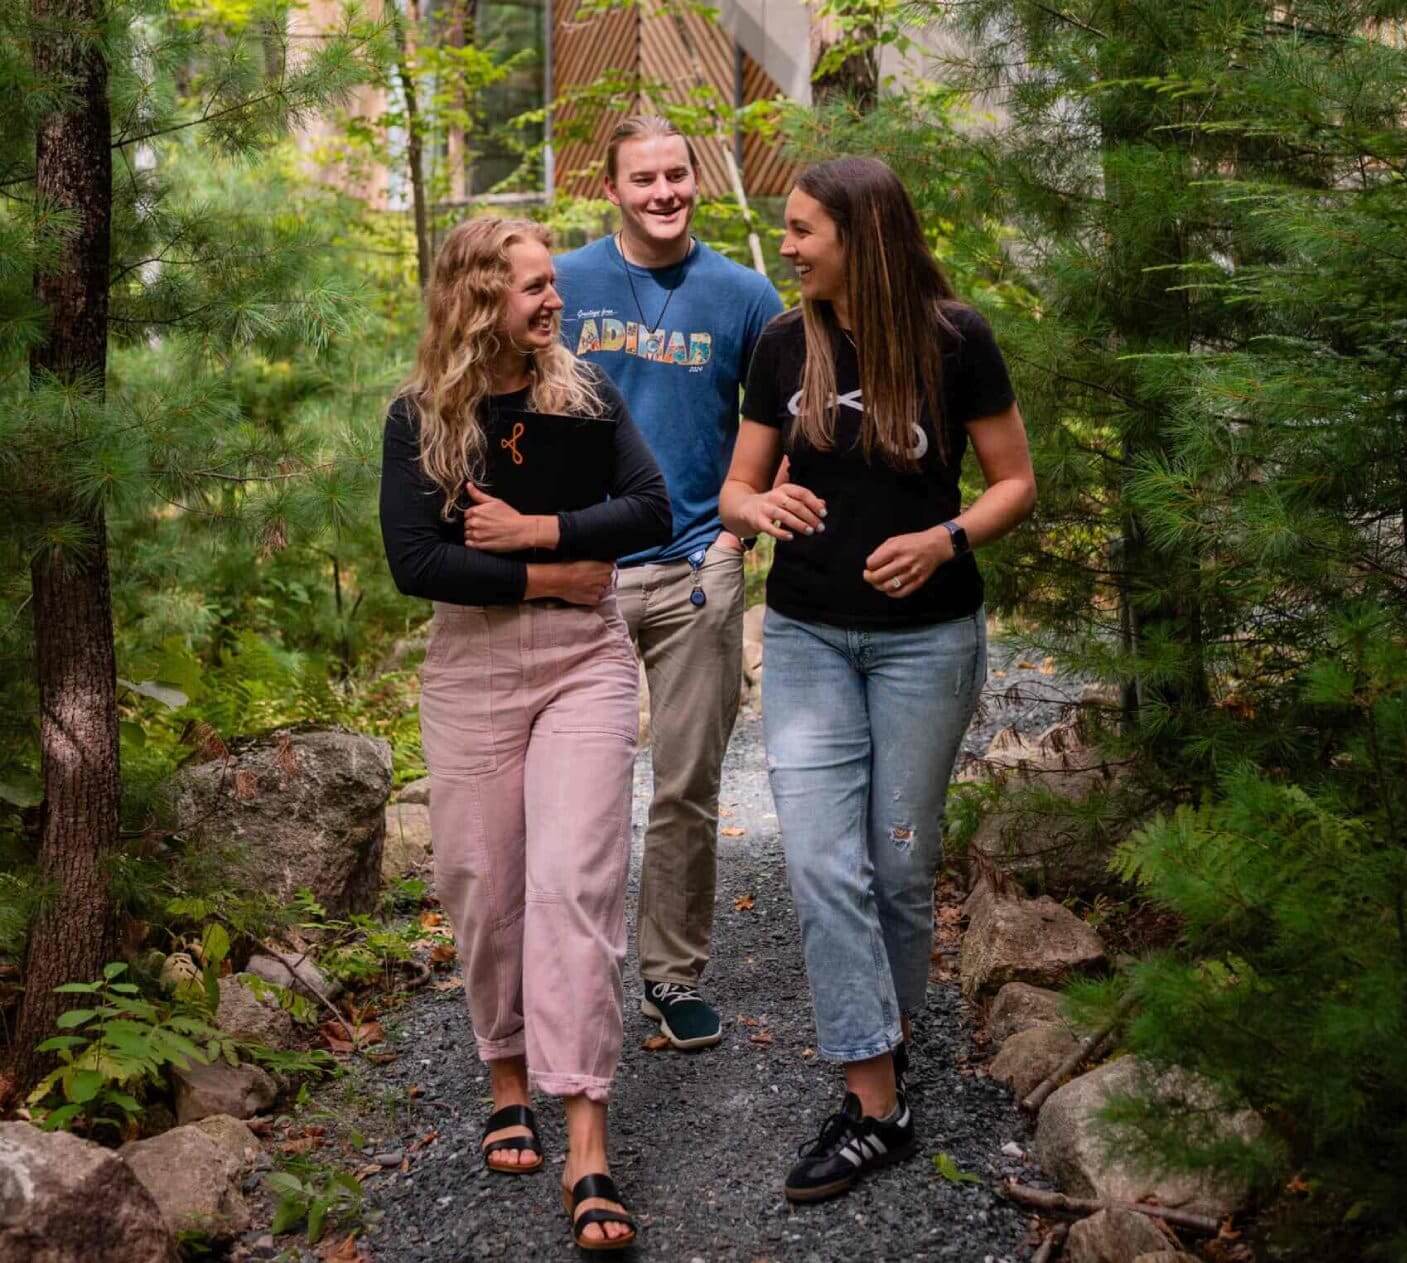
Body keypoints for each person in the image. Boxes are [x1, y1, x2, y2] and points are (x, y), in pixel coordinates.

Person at [720, 157, 1037, 1203]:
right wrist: (759, 512)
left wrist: (946, 538)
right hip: (808, 635)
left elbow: (1014, 483)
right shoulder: (781, 344)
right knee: (823, 864)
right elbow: (736, 490)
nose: (791, 245)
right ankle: (874, 1100)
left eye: (805, 229)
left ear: (861, 233)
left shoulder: (956, 340)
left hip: (926, 643)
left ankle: (883, 1059)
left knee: (900, 870)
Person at [380, 216, 671, 1250]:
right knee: (483, 886)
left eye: (554, 286)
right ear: (477, 303)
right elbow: (414, 561)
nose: (556, 302)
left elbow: (651, 508)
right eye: (535, 289)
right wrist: (547, 571)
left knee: (575, 882)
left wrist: (540, 531)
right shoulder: (420, 417)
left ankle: (587, 1133)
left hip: (583, 663)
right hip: (469, 671)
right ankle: (507, 1076)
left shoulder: (583, 393)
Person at [554, 116, 784, 1050]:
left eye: (677, 175)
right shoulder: (565, 283)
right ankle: (571, 975)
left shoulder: (744, 294)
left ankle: (673, 975)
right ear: (610, 187)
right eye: (643, 178)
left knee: (686, 785)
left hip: (698, 567)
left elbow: (784, 419)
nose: (663, 192)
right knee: (585, 790)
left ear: (696, 181)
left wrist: (741, 535)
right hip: (585, 574)